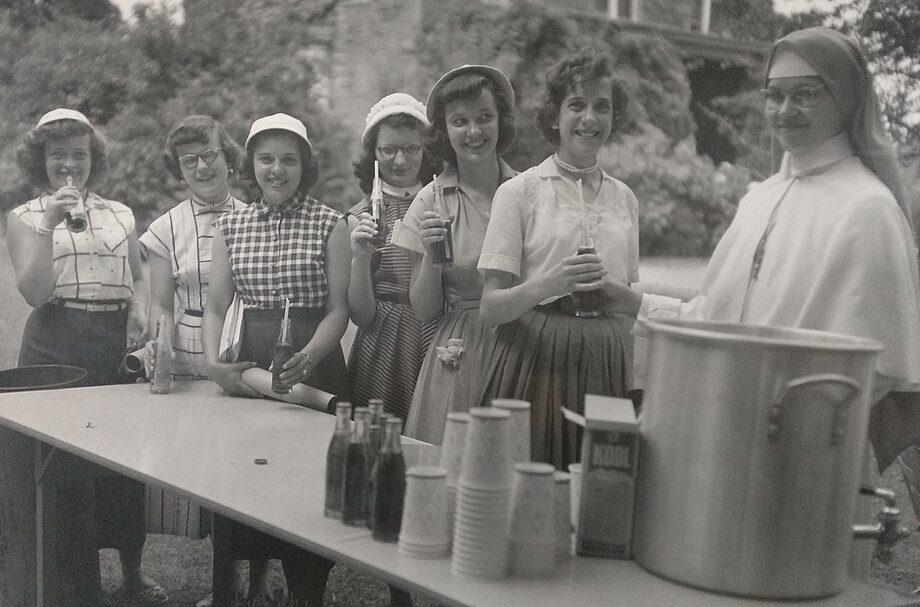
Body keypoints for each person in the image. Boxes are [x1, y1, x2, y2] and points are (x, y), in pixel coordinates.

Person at [602, 27, 920, 576]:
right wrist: (631, 301)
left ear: (846, 97)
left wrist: (777, 417)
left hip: (804, 461)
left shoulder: (867, 208)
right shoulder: (761, 199)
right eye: (774, 93)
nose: (784, 108)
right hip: (721, 443)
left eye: (805, 92)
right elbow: (716, 322)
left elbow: (876, 369)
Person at [6, 108, 166, 604]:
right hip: (55, 338)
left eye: (79, 154)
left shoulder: (119, 213)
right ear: (42, 160)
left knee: (120, 464)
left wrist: (138, 309)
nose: (69, 164)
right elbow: (34, 292)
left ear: (93, 158)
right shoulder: (24, 217)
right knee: (60, 466)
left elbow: (139, 279)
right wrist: (49, 224)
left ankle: (132, 573)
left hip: (110, 342)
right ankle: (69, 579)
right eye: (58, 155)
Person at [201, 113, 350, 606]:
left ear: (305, 166)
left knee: (309, 489)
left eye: (289, 159)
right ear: (252, 164)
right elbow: (217, 306)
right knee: (245, 480)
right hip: (252, 364)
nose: (277, 170)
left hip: (314, 365)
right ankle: (232, 592)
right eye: (266, 159)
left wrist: (308, 357)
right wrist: (214, 363)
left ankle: (307, 594)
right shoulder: (232, 225)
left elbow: (338, 310)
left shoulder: (331, 223)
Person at [478, 48, 638, 469]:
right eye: (576, 105)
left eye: (601, 107)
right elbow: (490, 308)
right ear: (554, 115)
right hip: (537, 359)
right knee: (531, 485)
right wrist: (548, 285)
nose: (590, 118)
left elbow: (628, 304)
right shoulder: (519, 193)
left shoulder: (624, 199)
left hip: (605, 361)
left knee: (599, 491)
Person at [139, 114, 248, 607]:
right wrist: (159, 349)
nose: (202, 168)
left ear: (228, 157)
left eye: (209, 155)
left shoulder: (253, 214)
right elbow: (161, 304)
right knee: (204, 475)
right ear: (180, 170)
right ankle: (220, 582)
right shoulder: (166, 228)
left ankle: (241, 579)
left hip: (241, 347)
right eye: (190, 162)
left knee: (244, 467)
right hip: (186, 355)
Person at [391, 65, 517, 444]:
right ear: (444, 130)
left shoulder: (527, 192)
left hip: (521, 346)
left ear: (500, 121)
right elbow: (425, 310)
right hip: (461, 351)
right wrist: (431, 254)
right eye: (460, 121)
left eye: (484, 118)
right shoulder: (429, 200)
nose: (474, 132)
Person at [346, 93, 439, 423]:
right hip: (384, 341)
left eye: (410, 149)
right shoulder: (361, 217)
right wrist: (360, 259)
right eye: (388, 150)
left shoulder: (443, 203)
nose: (399, 161)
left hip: (436, 332)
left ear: (425, 149)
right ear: (373, 152)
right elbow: (361, 315)